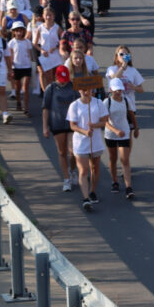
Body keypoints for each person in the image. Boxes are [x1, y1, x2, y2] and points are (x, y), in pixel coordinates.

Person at [67, 82, 107, 211]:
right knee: (83, 170)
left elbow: (104, 121)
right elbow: (72, 125)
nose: (85, 92)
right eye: (83, 90)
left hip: (95, 141)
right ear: (79, 91)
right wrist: (84, 132)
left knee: (95, 167)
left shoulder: (98, 103)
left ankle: (92, 191)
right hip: (80, 142)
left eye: (88, 89)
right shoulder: (74, 105)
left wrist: (94, 126)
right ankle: (85, 198)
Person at [43, 64, 79, 192]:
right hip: (56, 123)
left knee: (73, 151)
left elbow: (80, 104)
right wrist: (45, 127)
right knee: (62, 152)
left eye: (66, 79)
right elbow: (46, 108)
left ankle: (73, 170)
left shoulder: (74, 86)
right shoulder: (50, 88)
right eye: (61, 79)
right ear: (56, 77)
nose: (64, 82)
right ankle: (66, 179)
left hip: (71, 123)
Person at [104, 78, 137, 199]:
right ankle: (115, 181)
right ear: (111, 89)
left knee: (124, 159)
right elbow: (105, 122)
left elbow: (132, 115)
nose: (119, 92)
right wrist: (115, 131)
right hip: (111, 134)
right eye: (116, 90)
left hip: (125, 132)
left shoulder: (126, 100)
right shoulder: (106, 102)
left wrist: (136, 128)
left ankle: (129, 187)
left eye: (120, 90)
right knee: (113, 158)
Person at [106, 46, 145, 117]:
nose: (123, 56)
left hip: (129, 106)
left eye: (126, 54)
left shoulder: (133, 71)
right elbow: (114, 79)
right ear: (117, 56)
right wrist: (123, 67)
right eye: (121, 54)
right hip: (114, 105)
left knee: (128, 127)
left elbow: (141, 90)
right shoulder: (111, 69)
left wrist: (134, 87)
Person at [7, 21, 33, 116]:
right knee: (17, 88)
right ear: (13, 32)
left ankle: (26, 109)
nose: (19, 32)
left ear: (23, 31)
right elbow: (10, 56)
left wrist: (33, 66)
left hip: (27, 67)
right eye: (16, 31)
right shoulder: (11, 43)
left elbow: (31, 55)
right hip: (16, 67)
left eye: (20, 30)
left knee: (25, 88)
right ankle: (18, 102)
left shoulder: (27, 42)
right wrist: (10, 69)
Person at [33, 7, 63, 89]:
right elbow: (35, 44)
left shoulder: (57, 28)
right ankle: (48, 94)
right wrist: (41, 50)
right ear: (43, 16)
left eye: (50, 15)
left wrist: (56, 47)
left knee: (57, 75)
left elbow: (63, 41)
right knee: (48, 76)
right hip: (45, 55)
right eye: (46, 15)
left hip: (56, 54)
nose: (48, 17)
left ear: (53, 16)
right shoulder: (40, 28)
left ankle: (57, 92)